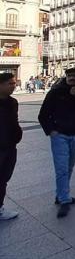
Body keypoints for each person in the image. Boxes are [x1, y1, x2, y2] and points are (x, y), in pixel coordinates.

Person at [38, 67, 75, 217]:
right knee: (61, 168)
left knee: (69, 166)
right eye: (69, 75)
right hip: (60, 135)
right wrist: (51, 131)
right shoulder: (56, 92)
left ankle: (61, 194)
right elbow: (43, 114)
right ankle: (64, 200)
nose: (71, 78)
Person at [0, 73, 22, 220]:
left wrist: (17, 135)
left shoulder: (13, 102)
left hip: (10, 146)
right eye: (10, 83)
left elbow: (14, 121)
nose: (13, 86)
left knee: (4, 178)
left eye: (14, 83)